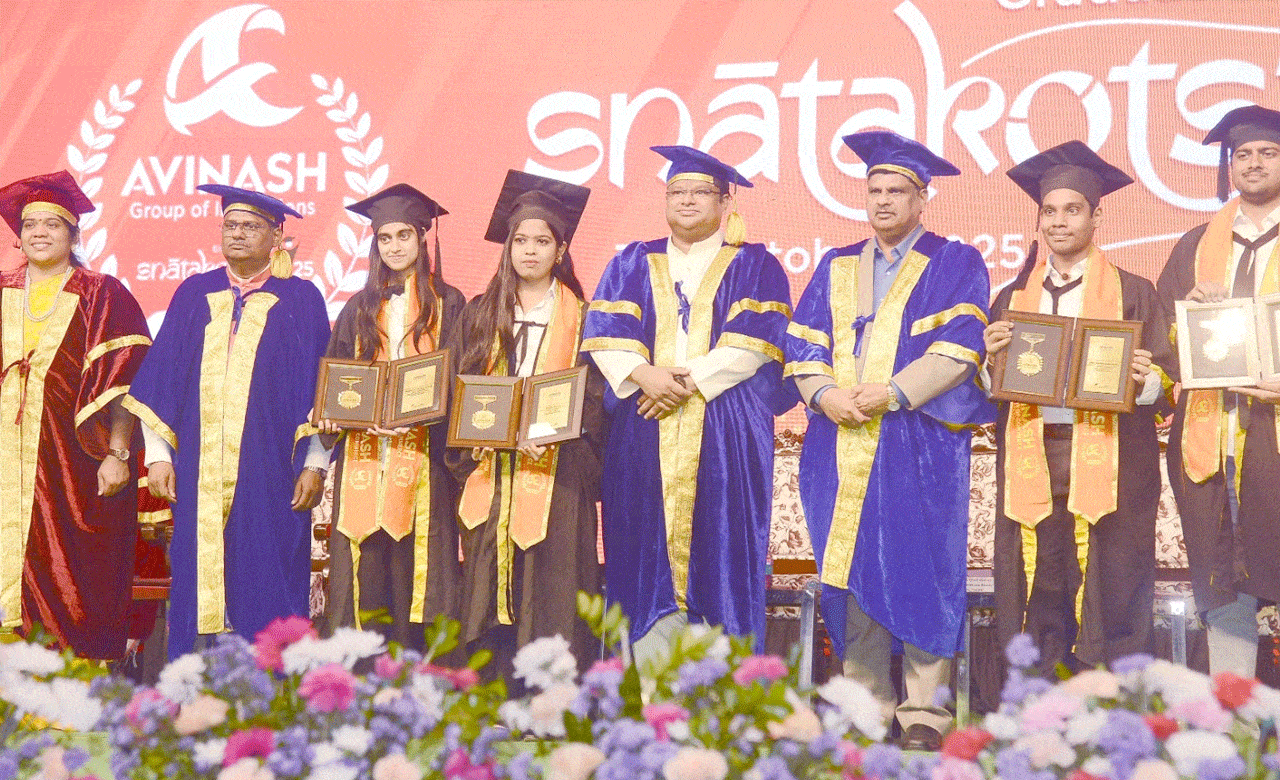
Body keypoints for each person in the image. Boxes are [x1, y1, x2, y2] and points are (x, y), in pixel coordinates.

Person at [785, 131, 990, 750]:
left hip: (917, 444)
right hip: (839, 441)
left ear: (922, 197)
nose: (882, 201)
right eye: (874, 190)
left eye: (896, 191)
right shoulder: (835, 265)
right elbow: (803, 343)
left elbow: (960, 348)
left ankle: (925, 710)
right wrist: (824, 394)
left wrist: (894, 392)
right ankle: (864, 703)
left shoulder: (955, 262)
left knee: (921, 565)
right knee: (850, 569)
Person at [581, 146, 794, 664]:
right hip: (642, 427)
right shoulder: (632, 260)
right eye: (677, 191)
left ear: (726, 202)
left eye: (701, 192)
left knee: (723, 549)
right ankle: (647, 688)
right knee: (640, 551)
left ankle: (724, 691)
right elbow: (606, 335)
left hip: (726, 429)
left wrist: (685, 382)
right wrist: (645, 375)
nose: (687, 200)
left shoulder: (755, 264)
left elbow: (754, 343)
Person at [984, 141, 1173, 678]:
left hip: (1115, 460)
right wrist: (989, 363)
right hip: (1034, 453)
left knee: (1115, 578)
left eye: (1072, 210)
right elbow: (992, 391)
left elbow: (1167, 384)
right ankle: (1037, 698)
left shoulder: (1134, 293)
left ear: (1096, 217)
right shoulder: (1012, 298)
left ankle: (1112, 699)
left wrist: (1146, 379)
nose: (1059, 222)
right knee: (1040, 578)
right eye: (1049, 211)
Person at [124, 185, 331, 658]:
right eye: (231, 225)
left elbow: (319, 386)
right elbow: (161, 380)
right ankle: (193, 683)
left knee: (271, 569)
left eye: (251, 226)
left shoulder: (301, 298)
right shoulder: (195, 293)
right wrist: (158, 457)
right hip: (197, 470)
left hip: (274, 470)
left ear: (276, 236)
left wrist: (315, 464)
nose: (237, 234)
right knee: (197, 572)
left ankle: (272, 682)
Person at [445, 170, 603, 678]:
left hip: (559, 477)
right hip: (491, 475)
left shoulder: (587, 319)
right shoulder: (479, 314)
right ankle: (494, 696)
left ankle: (553, 700)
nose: (530, 251)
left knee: (554, 591)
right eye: (520, 241)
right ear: (507, 247)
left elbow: (596, 400)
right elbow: (458, 392)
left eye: (542, 241)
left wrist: (555, 435)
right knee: (489, 592)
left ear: (561, 250)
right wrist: (482, 438)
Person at [0, 170, 150, 659]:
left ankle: (68, 682)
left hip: (70, 463)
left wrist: (118, 453)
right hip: (4, 456)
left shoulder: (101, 292)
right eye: (30, 225)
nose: (39, 233)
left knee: (68, 571)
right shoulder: (1, 288)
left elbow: (124, 384)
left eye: (52, 224)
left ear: (73, 234)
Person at [1157, 104, 1280, 677]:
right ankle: (1235, 712)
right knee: (1224, 577)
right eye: (1243, 154)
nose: (1254, 163)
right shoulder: (1196, 245)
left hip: (1273, 438)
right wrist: (1189, 316)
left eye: (1269, 152)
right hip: (1213, 440)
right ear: (1229, 167)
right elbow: (1162, 339)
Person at [317, 183, 465, 651]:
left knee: (417, 568)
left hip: (425, 458)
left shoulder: (450, 303)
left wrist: (424, 416)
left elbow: (460, 377)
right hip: (365, 454)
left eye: (404, 235)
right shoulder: (357, 308)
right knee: (365, 564)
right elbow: (338, 379)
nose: (395, 246)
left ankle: (419, 671)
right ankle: (361, 672)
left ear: (422, 238)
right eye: (385, 238)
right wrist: (337, 416)